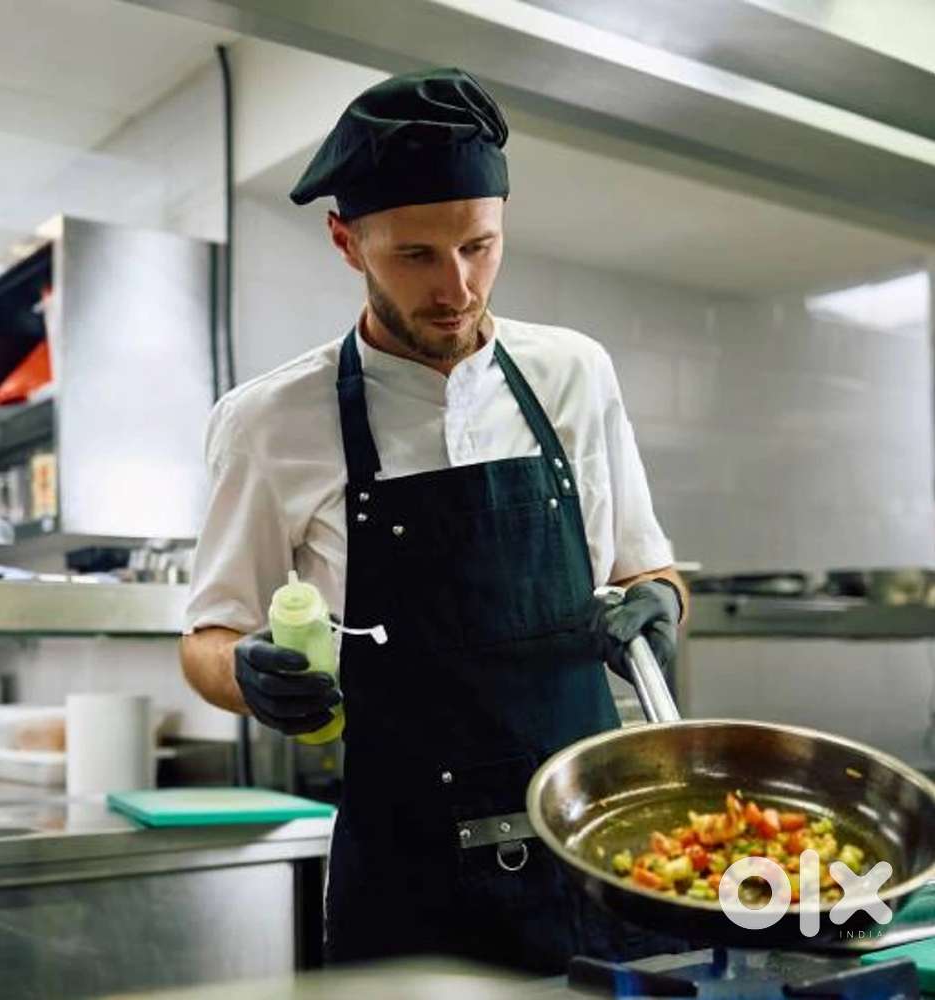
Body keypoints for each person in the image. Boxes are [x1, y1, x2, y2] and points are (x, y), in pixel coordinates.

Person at [180, 66, 689, 974]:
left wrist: (662, 604)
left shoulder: (575, 374)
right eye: (415, 255)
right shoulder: (267, 421)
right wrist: (247, 679)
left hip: (595, 853)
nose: (456, 287)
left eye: (479, 247)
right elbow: (208, 638)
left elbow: (647, 572)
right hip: (405, 877)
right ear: (347, 242)